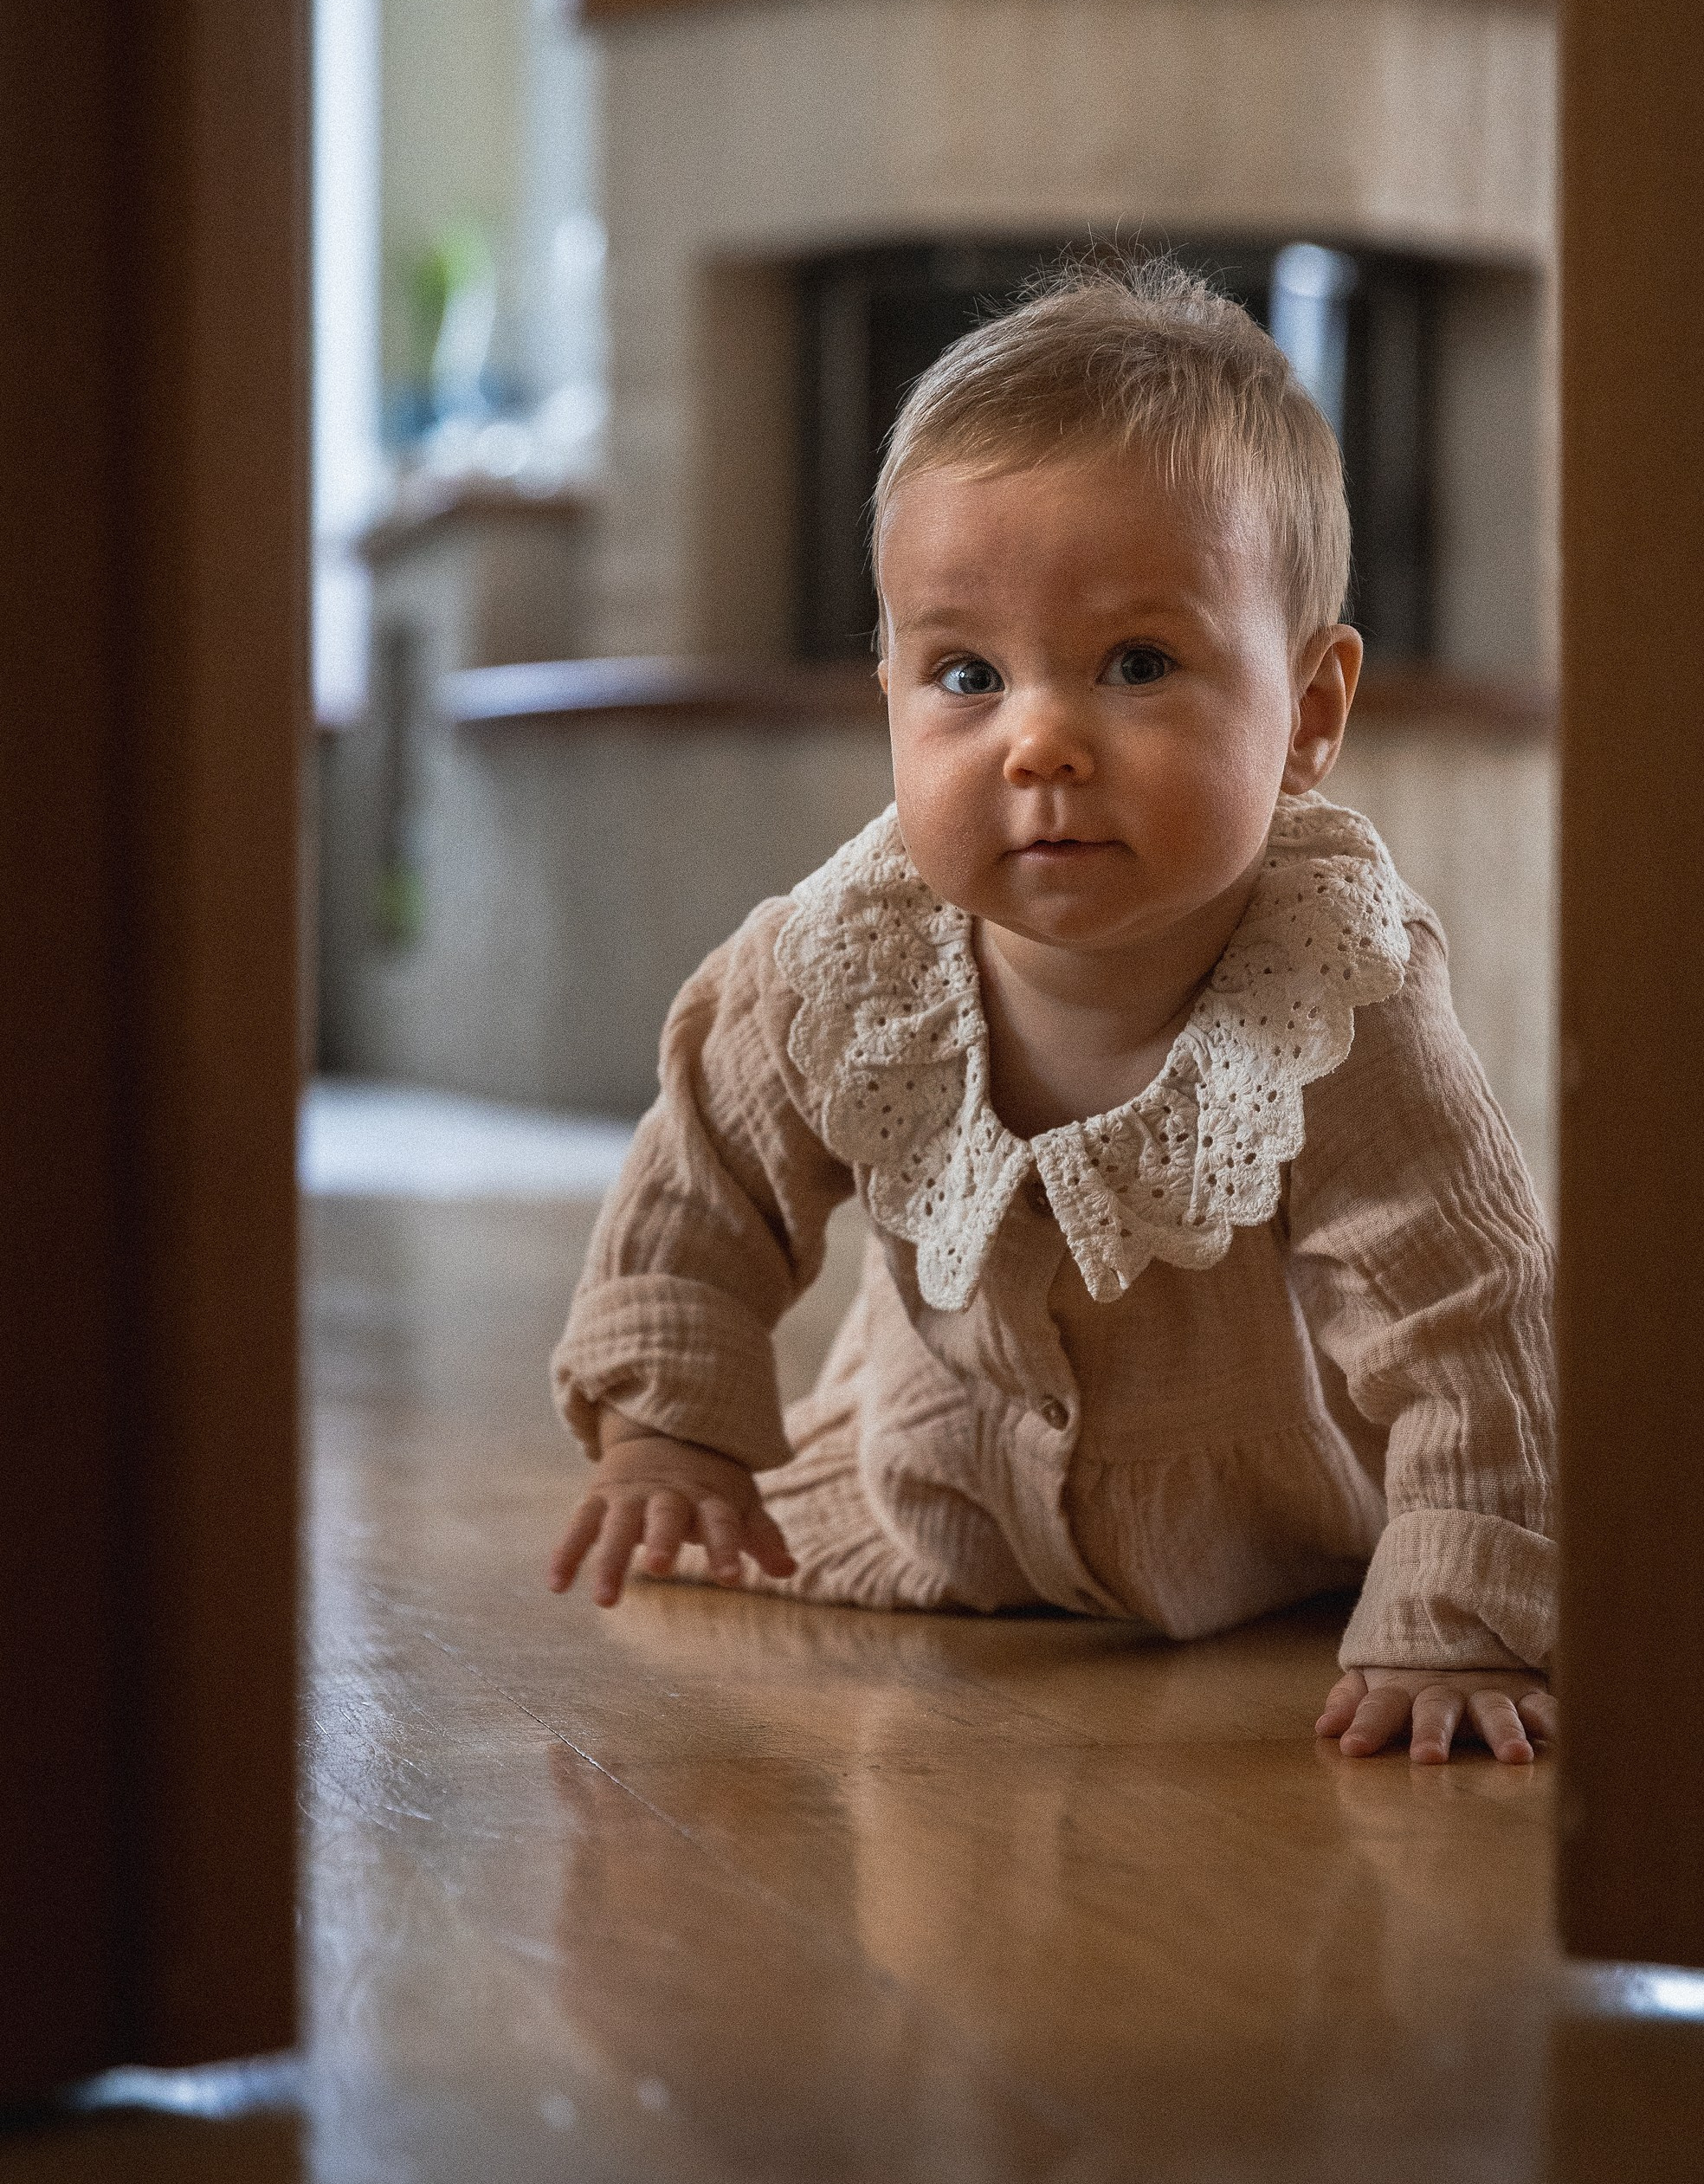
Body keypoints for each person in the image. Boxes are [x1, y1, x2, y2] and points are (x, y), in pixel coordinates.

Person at [547, 259, 1557, 1768]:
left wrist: (1463, 1615)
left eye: (1138, 665)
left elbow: (1468, 1315)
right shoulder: (836, 968)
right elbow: (705, 1177)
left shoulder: (1336, 999)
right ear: (886, 687)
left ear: (1314, 713)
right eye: (966, 673)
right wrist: (670, 1425)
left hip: (1276, 1543)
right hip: (934, 1505)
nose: (1042, 741)